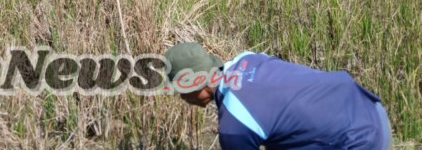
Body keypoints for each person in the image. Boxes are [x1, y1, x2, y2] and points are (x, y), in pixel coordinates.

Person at [164, 42, 392, 150]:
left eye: (181, 91)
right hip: (369, 107)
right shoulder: (248, 59)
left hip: (359, 140)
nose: (182, 98)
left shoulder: (234, 124)